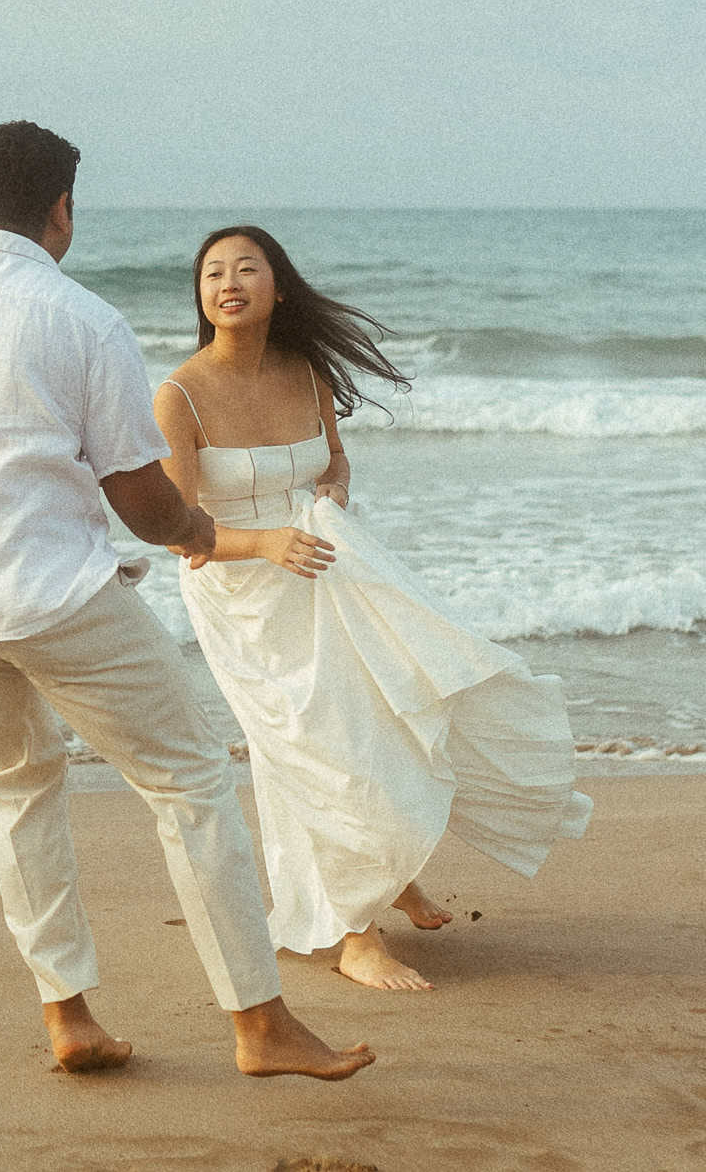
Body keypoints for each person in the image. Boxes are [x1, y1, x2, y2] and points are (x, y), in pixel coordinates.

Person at [0, 125, 372, 1080]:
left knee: (18, 779)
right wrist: (202, 536)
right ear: (63, 212)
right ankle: (258, 1023)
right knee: (191, 779)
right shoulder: (83, 319)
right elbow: (141, 498)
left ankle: (69, 1012)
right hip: (51, 593)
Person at [154, 225, 593, 992]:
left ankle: (387, 873)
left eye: (246, 268)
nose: (228, 282)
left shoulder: (306, 371)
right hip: (242, 591)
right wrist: (263, 544)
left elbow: (335, 455)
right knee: (314, 750)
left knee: (381, 721)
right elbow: (177, 532)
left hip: (326, 568)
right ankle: (357, 934)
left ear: (278, 287)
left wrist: (334, 492)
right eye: (213, 272)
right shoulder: (179, 394)